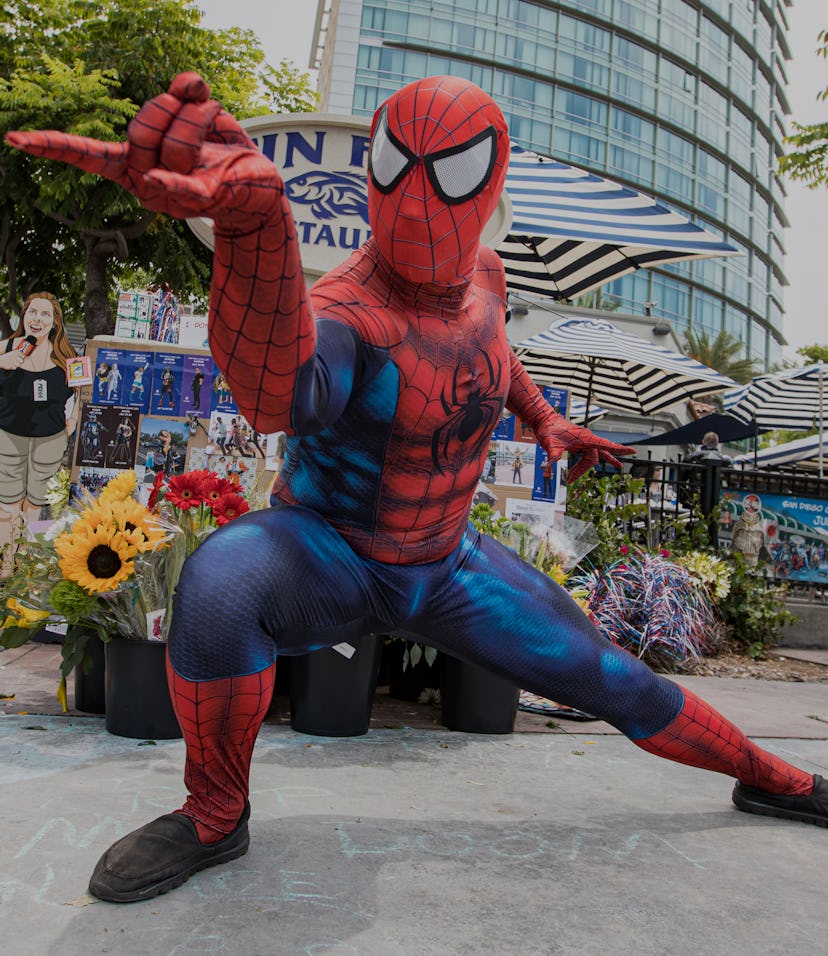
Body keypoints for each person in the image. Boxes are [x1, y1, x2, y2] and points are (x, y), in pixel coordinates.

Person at [10, 72, 825, 904]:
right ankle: (215, 811)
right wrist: (256, 236)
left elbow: (489, 362)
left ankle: (776, 778)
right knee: (220, 583)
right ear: (372, 170)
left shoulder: (487, 276)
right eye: (399, 166)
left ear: (490, 181)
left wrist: (544, 417)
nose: (417, 199)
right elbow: (282, 397)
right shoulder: (346, 309)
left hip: (448, 562)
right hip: (328, 551)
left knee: (613, 678)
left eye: (452, 172)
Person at [0, 292, 79, 573]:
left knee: (38, 503)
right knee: (8, 504)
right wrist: (3, 361)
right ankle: (5, 563)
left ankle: (29, 563)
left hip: (51, 439)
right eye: (33, 312)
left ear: (55, 322)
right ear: (24, 316)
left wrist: (74, 418)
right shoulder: (8, 346)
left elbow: (82, 392)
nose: (38, 319)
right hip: (8, 435)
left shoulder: (66, 356)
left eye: (46, 314)